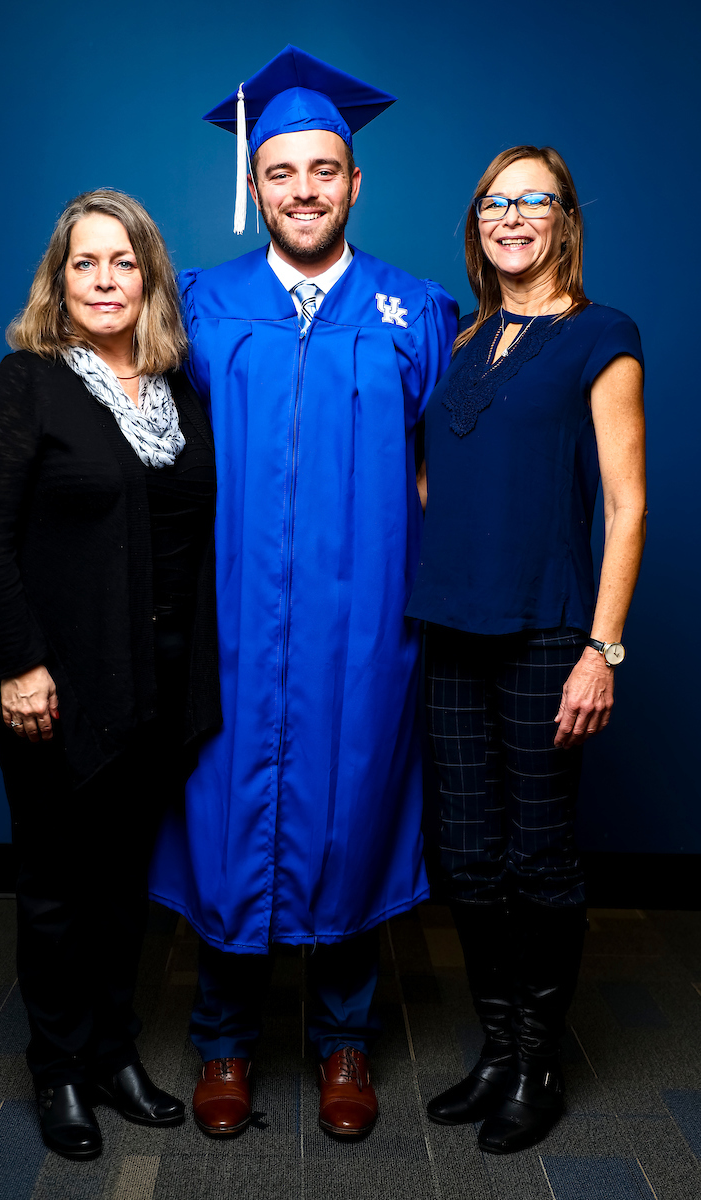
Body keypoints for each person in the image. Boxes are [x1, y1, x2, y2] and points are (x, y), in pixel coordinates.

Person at [148, 45, 458, 1139]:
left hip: (365, 628)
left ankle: (341, 1042)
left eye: (324, 170)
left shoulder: (413, 315)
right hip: (228, 621)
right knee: (228, 816)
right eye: (281, 172)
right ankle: (224, 1045)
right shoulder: (194, 309)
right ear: (254, 181)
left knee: (352, 812)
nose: (304, 190)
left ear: (355, 181)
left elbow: (450, 472)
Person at [0, 189, 220, 1161]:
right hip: (54, 681)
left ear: (148, 277)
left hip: (154, 675)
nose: (105, 279)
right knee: (58, 887)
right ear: (58, 280)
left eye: (124, 262)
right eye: (85, 263)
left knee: (121, 884)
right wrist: (21, 666)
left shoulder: (175, 393)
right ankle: (59, 1071)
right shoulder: (25, 383)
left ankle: (113, 1055)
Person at [406, 145, 646, 1154]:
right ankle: (497, 1051)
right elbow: (430, 478)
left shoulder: (603, 335)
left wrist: (603, 647)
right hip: (448, 631)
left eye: (529, 200)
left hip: (549, 631)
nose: (508, 216)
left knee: (536, 857)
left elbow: (627, 502)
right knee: (465, 856)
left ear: (563, 220)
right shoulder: (459, 339)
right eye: (492, 202)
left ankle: (537, 1065)